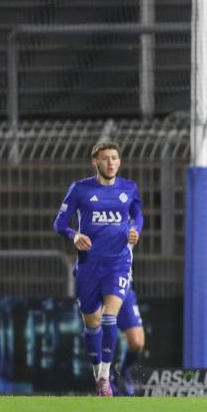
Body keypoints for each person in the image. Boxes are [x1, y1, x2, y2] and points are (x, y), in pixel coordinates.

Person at [54, 142, 142, 397]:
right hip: (89, 265)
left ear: (119, 161)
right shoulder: (80, 189)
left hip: (118, 263)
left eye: (115, 158)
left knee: (109, 319)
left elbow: (137, 215)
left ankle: (106, 378)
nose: (111, 163)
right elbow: (59, 222)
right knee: (92, 324)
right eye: (105, 159)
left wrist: (135, 229)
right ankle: (98, 373)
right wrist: (73, 236)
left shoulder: (129, 188)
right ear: (95, 162)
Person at [111, 288, 145, 397]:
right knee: (105, 338)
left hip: (123, 287)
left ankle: (123, 370)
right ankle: (106, 381)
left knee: (137, 342)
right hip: (100, 289)